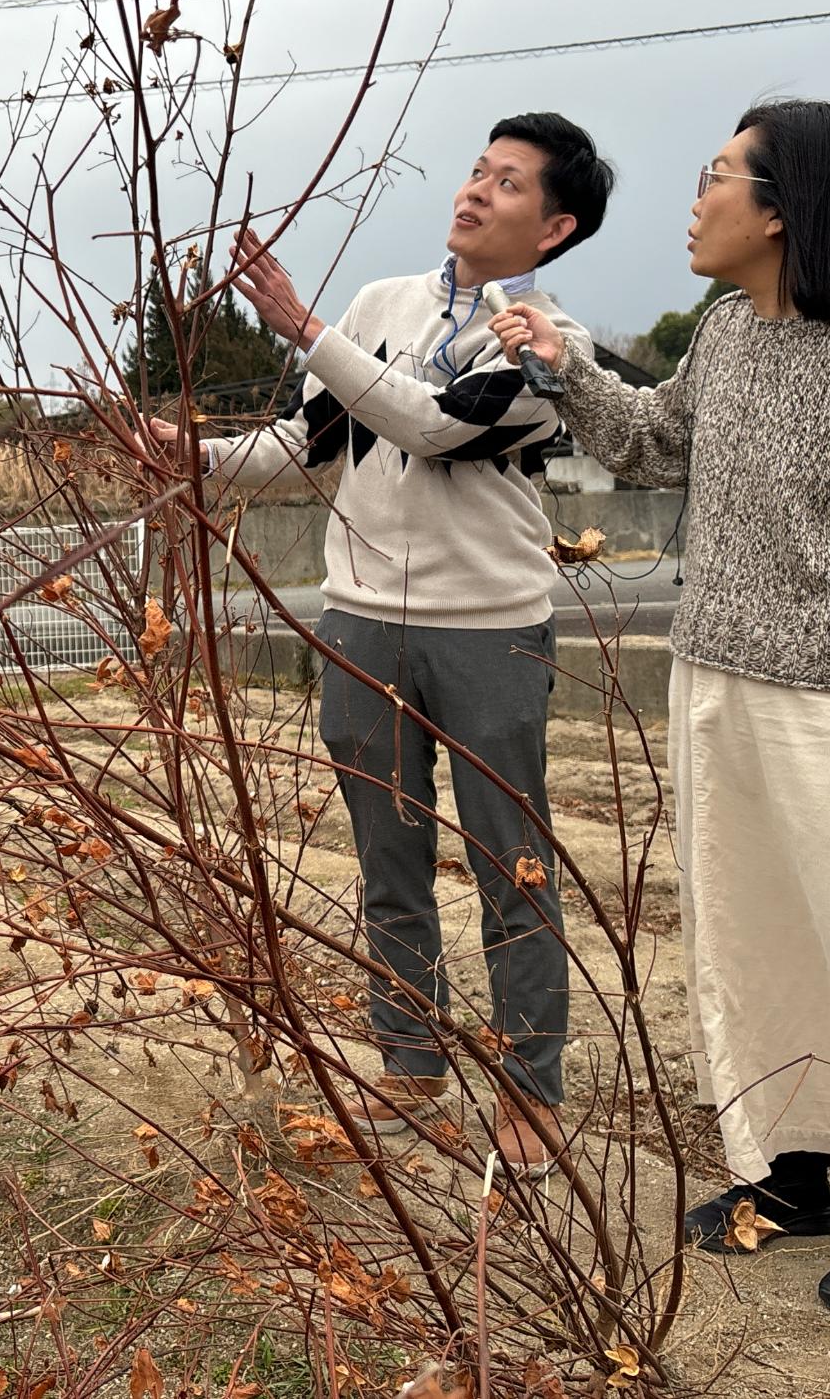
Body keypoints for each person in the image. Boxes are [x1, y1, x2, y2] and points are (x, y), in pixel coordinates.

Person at [492, 98, 830, 1315]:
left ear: (782, 210)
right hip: (715, 684)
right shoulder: (727, 333)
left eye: (717, 176)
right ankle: (787, 1176)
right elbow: (651, 441)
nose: (695, 198)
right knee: (744, 941)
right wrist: (566, 368)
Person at [149, 114, 616, 1176]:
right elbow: (317, 441)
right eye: (474, 168)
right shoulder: (378, 307)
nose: (473, 192)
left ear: (553, 227)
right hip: (357, 618)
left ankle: (530, 1088)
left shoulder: (547, 343)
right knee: (385, 857)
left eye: (504, 183)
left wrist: (302, 328)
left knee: (514, 863)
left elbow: (436, 424)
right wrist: (197, 456)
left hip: (489, 629)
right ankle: (407, 1058)